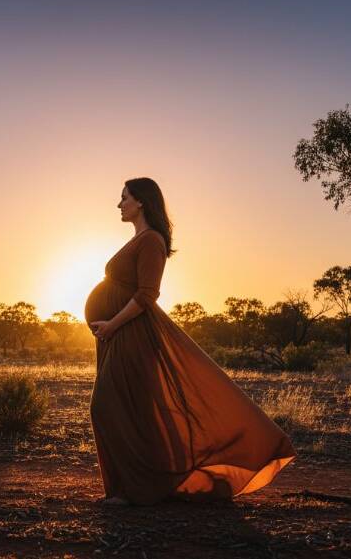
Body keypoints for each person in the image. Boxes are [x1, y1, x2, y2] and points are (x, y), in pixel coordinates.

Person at [84, 177, 295, 506]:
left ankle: (135, 490)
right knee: (132, 410)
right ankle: (135, 489)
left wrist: (111, 324)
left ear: (141, 202)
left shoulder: (152, 240)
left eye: (124, 197)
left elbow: (147, 295)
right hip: (117, 336)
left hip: (132, 336)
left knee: (106, 406)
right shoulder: (138, 239)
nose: (119, 204)